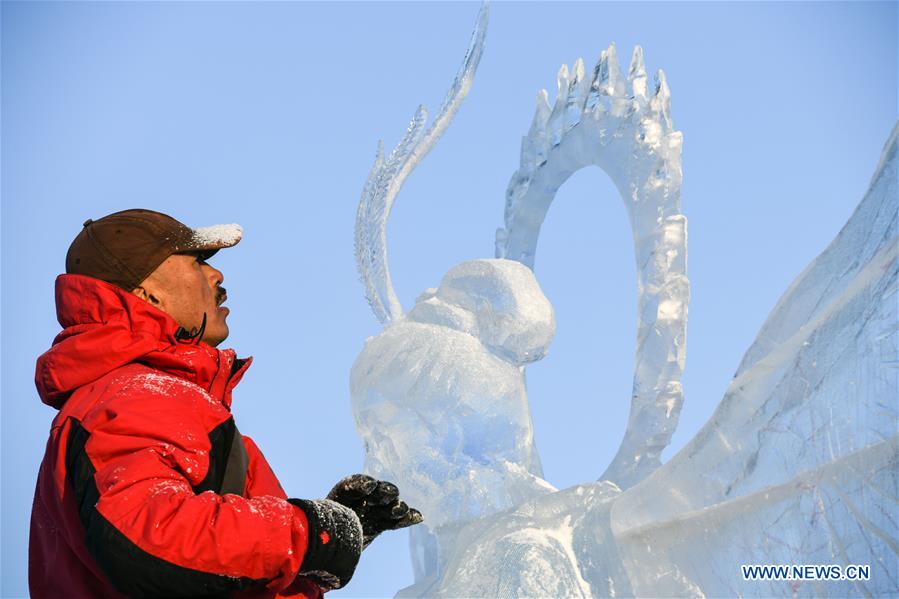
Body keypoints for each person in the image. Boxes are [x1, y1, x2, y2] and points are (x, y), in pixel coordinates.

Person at [29, 209, 422, 598]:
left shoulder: (155, 399)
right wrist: (306, 532)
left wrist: (317, 558)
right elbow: (146, 536)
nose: (216, 275)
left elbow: (204, 571)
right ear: (147, 292)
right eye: (197, 261)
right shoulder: (138, 395)